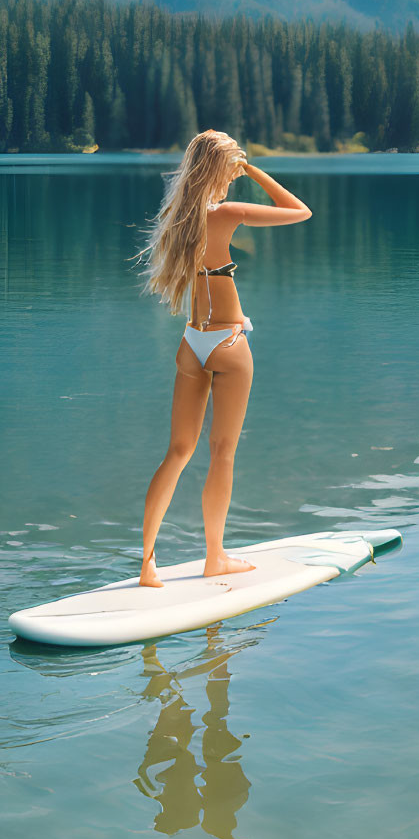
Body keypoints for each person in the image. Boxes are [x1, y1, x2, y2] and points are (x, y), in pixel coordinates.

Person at [135, 129, 311, 587]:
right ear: (221, 169)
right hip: (229, 344)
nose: (235, 178)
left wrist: (234, 163)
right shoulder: (227, 213)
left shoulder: (179, 218)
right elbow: (299, 211)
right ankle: (216, 556)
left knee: (177, 452)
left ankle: (148, 563)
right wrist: (253, 169)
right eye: (232, 169)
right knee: (222, 453)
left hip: (191, 341)